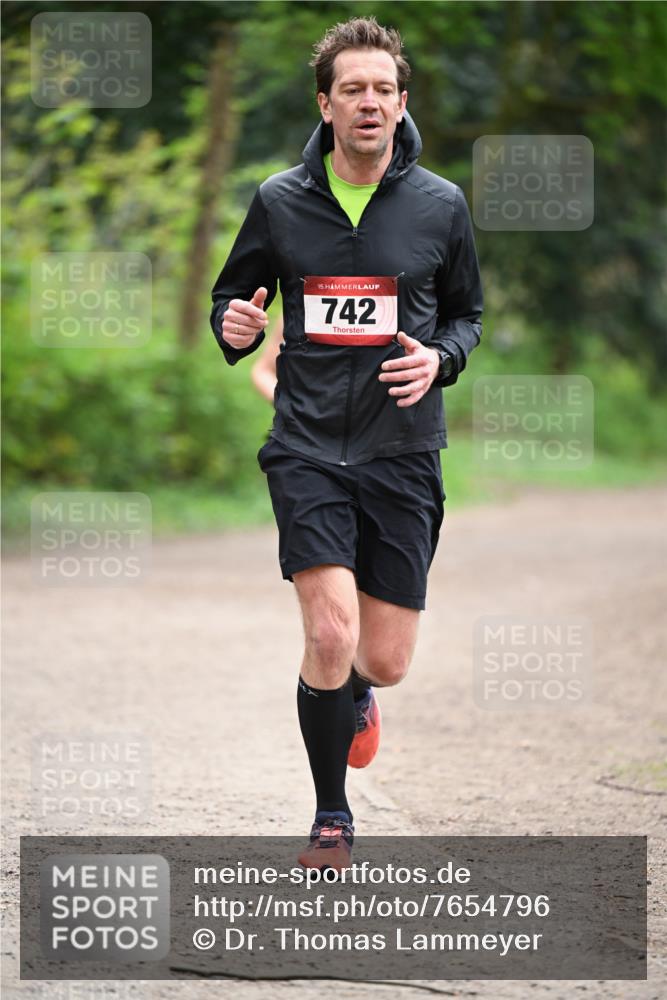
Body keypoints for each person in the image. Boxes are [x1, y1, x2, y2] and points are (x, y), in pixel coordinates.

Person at [210, 15, 483, 871]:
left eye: (384, 91)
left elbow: (468, 316)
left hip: (402, 449)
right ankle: (332, 816)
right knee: (328, 633)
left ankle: (360, 696)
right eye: (353, 90)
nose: (370, 103)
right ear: (325, 105)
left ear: (403, 106)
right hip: (306, 446)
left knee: (382, 659)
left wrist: (439, 360)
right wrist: (237, 324)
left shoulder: (440, 204)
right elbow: (233, 308)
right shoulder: (279, 201)